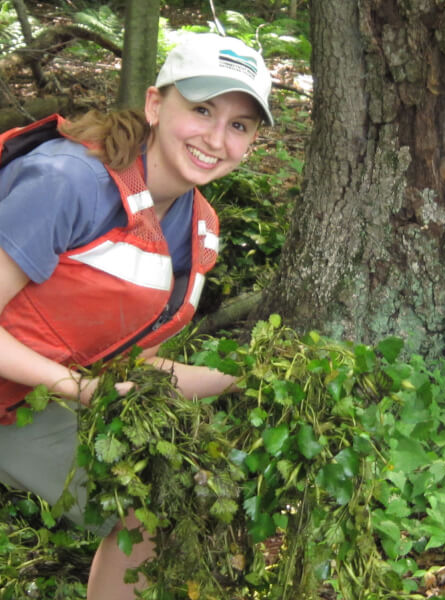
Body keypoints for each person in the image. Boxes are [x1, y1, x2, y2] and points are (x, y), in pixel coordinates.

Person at [0, 32, 274, 599]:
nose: (216, 138)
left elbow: (137, 369)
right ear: (155, 104)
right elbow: (94, 387)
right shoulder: (66, 182)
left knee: (165, 503)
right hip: (41, 389)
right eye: (201, 110)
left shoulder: (200, 228)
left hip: (20, 404)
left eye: (239, 125)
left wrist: (252, 379)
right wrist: (79, 389)